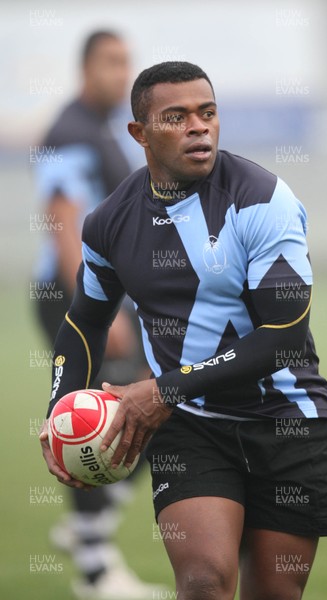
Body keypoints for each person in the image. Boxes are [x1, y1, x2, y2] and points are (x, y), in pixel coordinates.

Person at [40, 61, 327, 600]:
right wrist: (60, 409)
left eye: (207, 113)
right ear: (139, 133)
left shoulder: (263, 200)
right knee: (204, 580)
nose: (198, 126)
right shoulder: (109, 222)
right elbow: (84, 321)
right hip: (191, 426)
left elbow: (283, 335)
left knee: (276, 593)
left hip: (288, 421)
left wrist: (162, 389)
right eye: (177, 116)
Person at [34, 31, 166, 599]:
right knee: (106, 423)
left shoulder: (105, 130)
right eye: (113, 63)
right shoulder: (69, 131)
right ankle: (93, 571)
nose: (123, 74)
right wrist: (95, 310)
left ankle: (88, 532)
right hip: (80, 304)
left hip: (106, 302)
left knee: (145, 420)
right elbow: (64, 221)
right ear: (87, 67)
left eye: (127, 63)